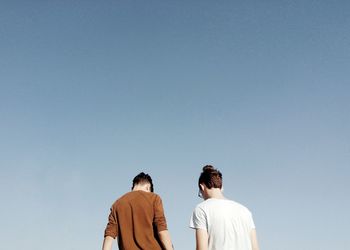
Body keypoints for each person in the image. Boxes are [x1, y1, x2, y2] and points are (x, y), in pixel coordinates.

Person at [190, 165, 260, 250]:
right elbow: (255, 248)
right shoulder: (245, 211)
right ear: (221, 187)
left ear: (202, 187)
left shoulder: (202, 209)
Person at [102, 172, 173, 250]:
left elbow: (109, 237)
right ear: (148, 187)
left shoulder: (117, 204)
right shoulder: (154, 198)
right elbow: (162, 230)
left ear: (134, 186)